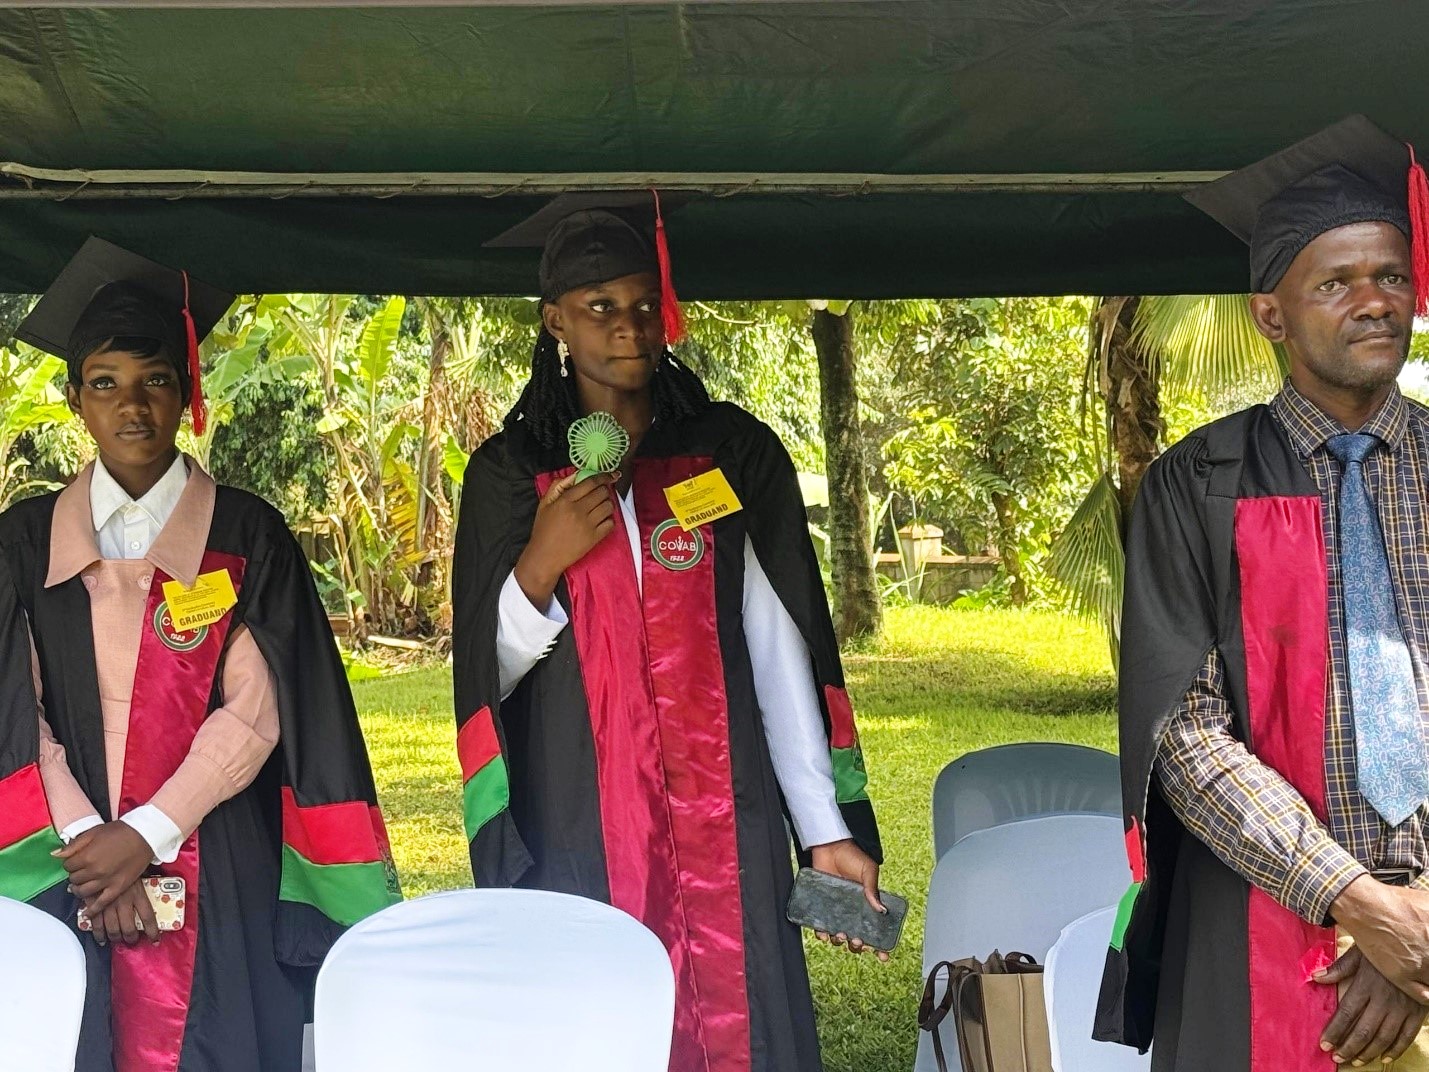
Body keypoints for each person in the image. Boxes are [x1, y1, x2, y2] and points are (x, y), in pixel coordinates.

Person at [453, 193, 885, 1072]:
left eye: (644, 304)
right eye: (599, 309)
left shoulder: (729, 453)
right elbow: (484, 681)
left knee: (745, 1023)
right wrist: (540, 564)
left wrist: (824, 828)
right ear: (554, 324)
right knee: (606, 1023)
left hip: (730, 810)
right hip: (581, 810)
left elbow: (777, 648)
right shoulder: (512, 472)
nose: (629, 328)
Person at [0, 237, 400, 1072]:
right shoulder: (23, 540)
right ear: (76, 398)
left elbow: (256, 712)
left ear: (186, 395)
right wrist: (91, 850)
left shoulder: (246, 532)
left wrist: (145, 834)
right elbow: (12, 705)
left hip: (216, 853)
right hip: (61, 860)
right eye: (105, 384)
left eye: (155, 382)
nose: (132, 406)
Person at [1096, 116, 1429, 1071]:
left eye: (1390, 277)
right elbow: (1184, 732)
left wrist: (1416, 930)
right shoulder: (1198, 483)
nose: (1373, 302)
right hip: (1265, 928)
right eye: (1335, 281)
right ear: (1270, 314)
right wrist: (1362, 906)